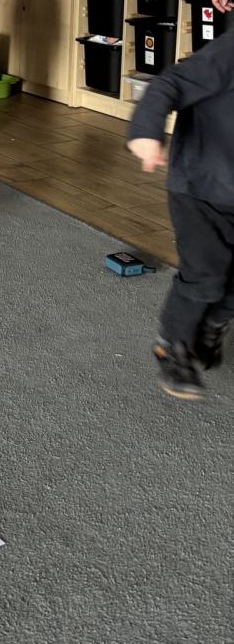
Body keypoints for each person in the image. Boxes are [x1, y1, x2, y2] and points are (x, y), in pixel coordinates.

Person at [127, 31, 234, 400]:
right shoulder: (228, 53)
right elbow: (169, 83)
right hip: (200, 188)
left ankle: (211, 324)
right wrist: (145, 132)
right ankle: (172, 345)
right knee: (206, 274)